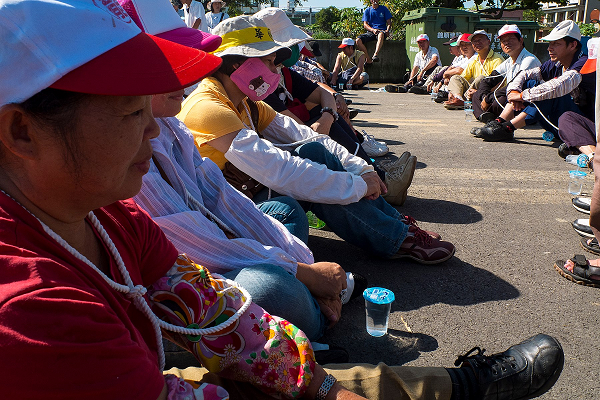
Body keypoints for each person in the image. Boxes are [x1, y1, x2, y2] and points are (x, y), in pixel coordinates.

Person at [0, 3, 566, 400]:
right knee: (272, 290)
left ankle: (431, 377)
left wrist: (317, 384)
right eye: (130, 112)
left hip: (180, 321)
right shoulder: (29, 308)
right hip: (158, 351)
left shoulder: (108, 216)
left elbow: (217, 306)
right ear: (22, 133)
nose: (153, 125)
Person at [178, 15, 456, 263]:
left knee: (313, 150)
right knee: (294, 201)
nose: (274, 68)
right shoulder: (209, 107)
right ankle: (393, 238)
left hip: (249, 189)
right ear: (237, 64)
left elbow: (307, 136)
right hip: (221, 208)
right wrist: (357, 185)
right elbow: (279, 170)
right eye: (266, 60)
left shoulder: (247, 103)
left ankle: (397, 229)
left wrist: (360, 167)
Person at [476, 20, 595, 142]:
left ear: (572, 45)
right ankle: (499, 123)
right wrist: (515, 90)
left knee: (549, 92)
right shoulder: (556, 63)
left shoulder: (583, 63)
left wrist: (522, 96)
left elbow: (560, 86)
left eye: (556, 44)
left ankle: (508, 128)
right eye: (550, 44)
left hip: (583, 126)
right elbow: (526, 75)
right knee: (529, 83)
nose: (549, 48)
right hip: (556, 122)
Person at [470, 25, 541, 124]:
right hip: (509, 99)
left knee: (501, 100)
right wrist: (484, 97)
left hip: (524, 102)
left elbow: (514, 85)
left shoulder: (529, 60)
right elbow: (488, 80)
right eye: (503, 40)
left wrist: (488, 98)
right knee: (477, 94)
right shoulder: (509, 61)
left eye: (511, 39)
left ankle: (493, 119)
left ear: (520, 40)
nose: (506, 42)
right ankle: (487, 118)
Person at [444, 30, 504, 110]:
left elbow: (501, 84)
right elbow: (463, 78)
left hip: (487, 93)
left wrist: (478, 93)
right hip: (471, 92)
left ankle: (463, 101)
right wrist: (453, 91)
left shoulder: (497, 59)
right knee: (455, 78)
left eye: (480, 40)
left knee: (482, 78)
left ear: (488, 42)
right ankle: (459, 99)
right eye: (474, 41)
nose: (477, 43)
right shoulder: (474, 60)